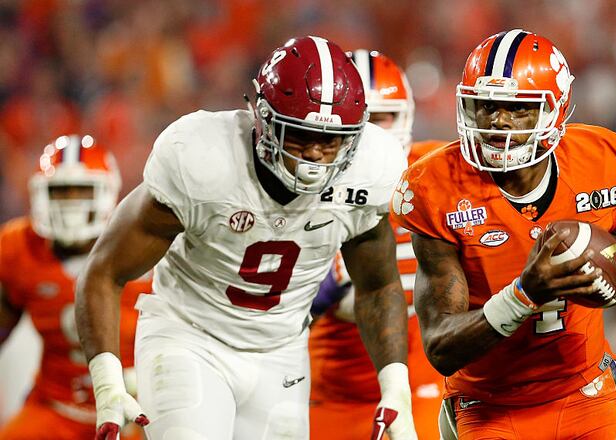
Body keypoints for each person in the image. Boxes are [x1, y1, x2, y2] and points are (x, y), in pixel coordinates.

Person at [391, 29, 616, 439]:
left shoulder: (597, 161)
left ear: (555, 110)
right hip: (489, 405)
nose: (497, 121)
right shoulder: (437, 185)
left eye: (517, 108)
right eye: (485, 105)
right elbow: (440, 347)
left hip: (585, 393)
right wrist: (524, 295)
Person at [75, 36, 417, 440]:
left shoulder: (371, 166)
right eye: (299, 136)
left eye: (330, 140)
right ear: (263, 119)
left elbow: (377, 284)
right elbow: (103, 272)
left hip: (283, 351)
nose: (315, 155)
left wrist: (396, 385)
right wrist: (107, 381)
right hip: (189, 335)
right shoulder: (204, 158)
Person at [309, 49, 446, 440]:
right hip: (332, 392)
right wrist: (317, 292)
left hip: (425, 384)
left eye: (382, 117)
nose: (370, 134)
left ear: (407, 118)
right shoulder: (303, 181)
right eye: (359, 119)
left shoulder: (440, 173)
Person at [0, 135, 148, 439]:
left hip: (138, 410)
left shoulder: (142, 243)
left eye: (81, 191)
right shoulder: (19, 248)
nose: (70, 204)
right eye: (60, 192)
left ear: (107, 194)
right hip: (56, 407)